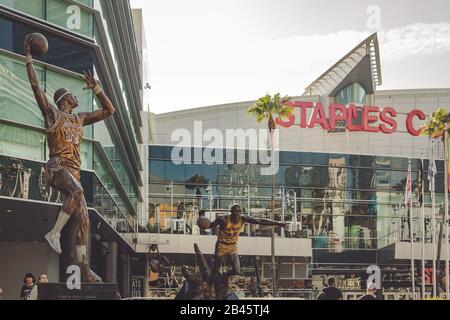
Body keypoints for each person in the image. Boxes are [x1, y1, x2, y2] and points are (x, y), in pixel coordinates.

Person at [24, 35, 115, 282]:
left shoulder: (80, 118)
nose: (77, 97)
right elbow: (35, 88)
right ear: (65, 99)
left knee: (85, 221)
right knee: (77, 192)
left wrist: (97, 88)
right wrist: (29, 59)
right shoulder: (53, 114)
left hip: (73, 172)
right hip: (56, 167)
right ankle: (54, 233)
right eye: (73, 95)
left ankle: (84, 269)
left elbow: (110, 110)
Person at [198, 203, 287, 298]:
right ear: (231, 212)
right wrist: (203, 224)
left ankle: (226, 274)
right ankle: (211, 285)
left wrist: (278, 223)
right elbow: (210, 225)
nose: (237, 213)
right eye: (235, 211)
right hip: (221, 246)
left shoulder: (243, 219)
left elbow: (259, 221)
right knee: (215, 269)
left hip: (232, 247)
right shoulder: (223, 219)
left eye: (239, 211)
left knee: (236, 270)